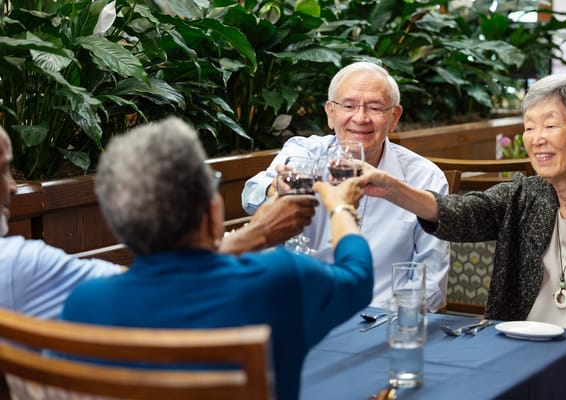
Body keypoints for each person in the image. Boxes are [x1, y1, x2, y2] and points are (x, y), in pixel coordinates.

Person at [61, 117, 373, 400]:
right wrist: (341, 206)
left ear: (118, 223)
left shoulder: (83, 304)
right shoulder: (280, 280)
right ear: (212, 215)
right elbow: (358, 275)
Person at [0, 125, 319, 320]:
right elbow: (153, 285)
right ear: (211, 215)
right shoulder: (16, 266)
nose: (13, 186)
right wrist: (258, 233)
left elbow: (145, 283)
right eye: (2, 170)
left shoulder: (70, 294)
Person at [361, 73, 566, 331]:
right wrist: (391, 188)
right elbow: (463, 212)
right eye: (529, 127)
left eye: (551, 126)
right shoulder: (523, 196)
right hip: (518, 350)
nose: (536, 138)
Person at [242, 61, 449, 311]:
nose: (360, 118)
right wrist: (276, 190)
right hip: (305, 312)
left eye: (375, 108)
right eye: (348, 106)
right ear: (330, 113)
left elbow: (432, 281)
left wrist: (394, 321)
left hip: (382, 318)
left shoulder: (425, 179)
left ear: (394, 117)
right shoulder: (304, 153)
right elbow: (251, 196)